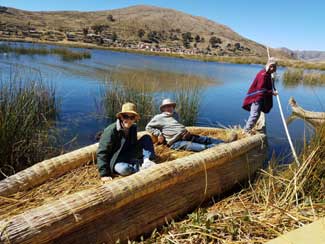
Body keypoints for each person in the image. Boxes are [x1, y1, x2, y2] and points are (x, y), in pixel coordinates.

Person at [146, 98, 236, 152]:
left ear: (173, 107)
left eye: (170, 106)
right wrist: (159, 134)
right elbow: (148, 127)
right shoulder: (158, 117)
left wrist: (184, 132)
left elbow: (174, 126)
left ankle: (226, 143)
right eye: (166, 106)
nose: (169, 108)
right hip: (175, 142)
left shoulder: (175, 114)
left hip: (186, 135)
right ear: (163, 109)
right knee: (202, 147)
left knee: (206, 139)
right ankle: (226, 148)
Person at [96, 102, 156, 182]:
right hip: (117, 159)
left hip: (129, 153)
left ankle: (147, 161)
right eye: (125, 116)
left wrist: (138, 153)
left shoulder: (133, 127)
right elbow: (102, 152)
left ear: (135, 119)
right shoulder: (111, 131)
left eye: (132, 117)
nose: (128, 120)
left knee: (146, 138)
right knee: (123, 169)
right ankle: (139, 168)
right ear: (121, 117)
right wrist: (104, 174)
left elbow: (133, 143)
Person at [242, 57, 278, 134]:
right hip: (256, 98)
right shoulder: (263, 74)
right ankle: (246, 131)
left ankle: (248, 129)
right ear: (269, 66)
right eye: (273, 67)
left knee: (257, 115)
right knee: (254, 115)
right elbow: (261, 89)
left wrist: (272, 80)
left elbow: (266, 85)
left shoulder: (267, 73)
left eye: (275, 67)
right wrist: (272, 92)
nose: (274, 69)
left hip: (259, 98)